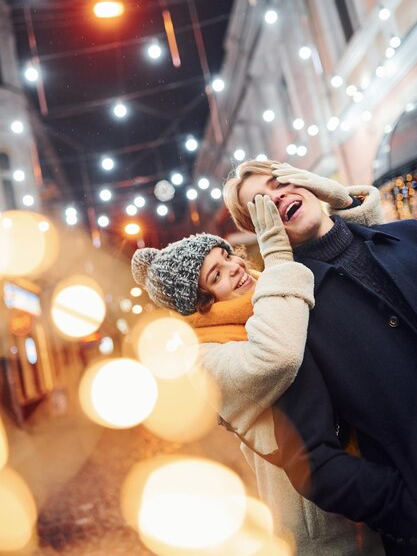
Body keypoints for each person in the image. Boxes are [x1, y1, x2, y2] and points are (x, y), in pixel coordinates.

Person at [131, 175, 386, 555]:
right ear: (199, 305)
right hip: (323, 532)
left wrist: (341, 199)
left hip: (379, 483)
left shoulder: (277, 290)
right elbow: (276, 356)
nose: (234, 268)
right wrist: (279, 258)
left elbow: (351, 260)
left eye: (228, 257)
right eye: (215, 275)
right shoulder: (204, 357)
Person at [223, 160, 417, 555]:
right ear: (262, 230)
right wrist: (405, 506)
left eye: (281, 182)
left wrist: (344, 198)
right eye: (261, 202)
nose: (277, 195)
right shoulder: (292, 318)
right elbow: (312, 463)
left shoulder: (409, 236)